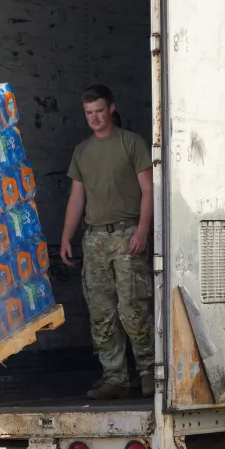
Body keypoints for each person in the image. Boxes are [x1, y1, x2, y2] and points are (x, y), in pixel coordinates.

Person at [59, 84, 155, 400]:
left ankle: (150, 372)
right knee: (101, 312)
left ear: (111, 109)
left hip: (128, 235)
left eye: (99, 111)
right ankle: (115, 377)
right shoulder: (82, 151)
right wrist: (66, 238)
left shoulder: (132, 143)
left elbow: (149, 190)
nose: (95, 118)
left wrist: (142, 230)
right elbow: (76, 199)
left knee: (133, 307)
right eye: (89, 113)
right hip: (95, 239)